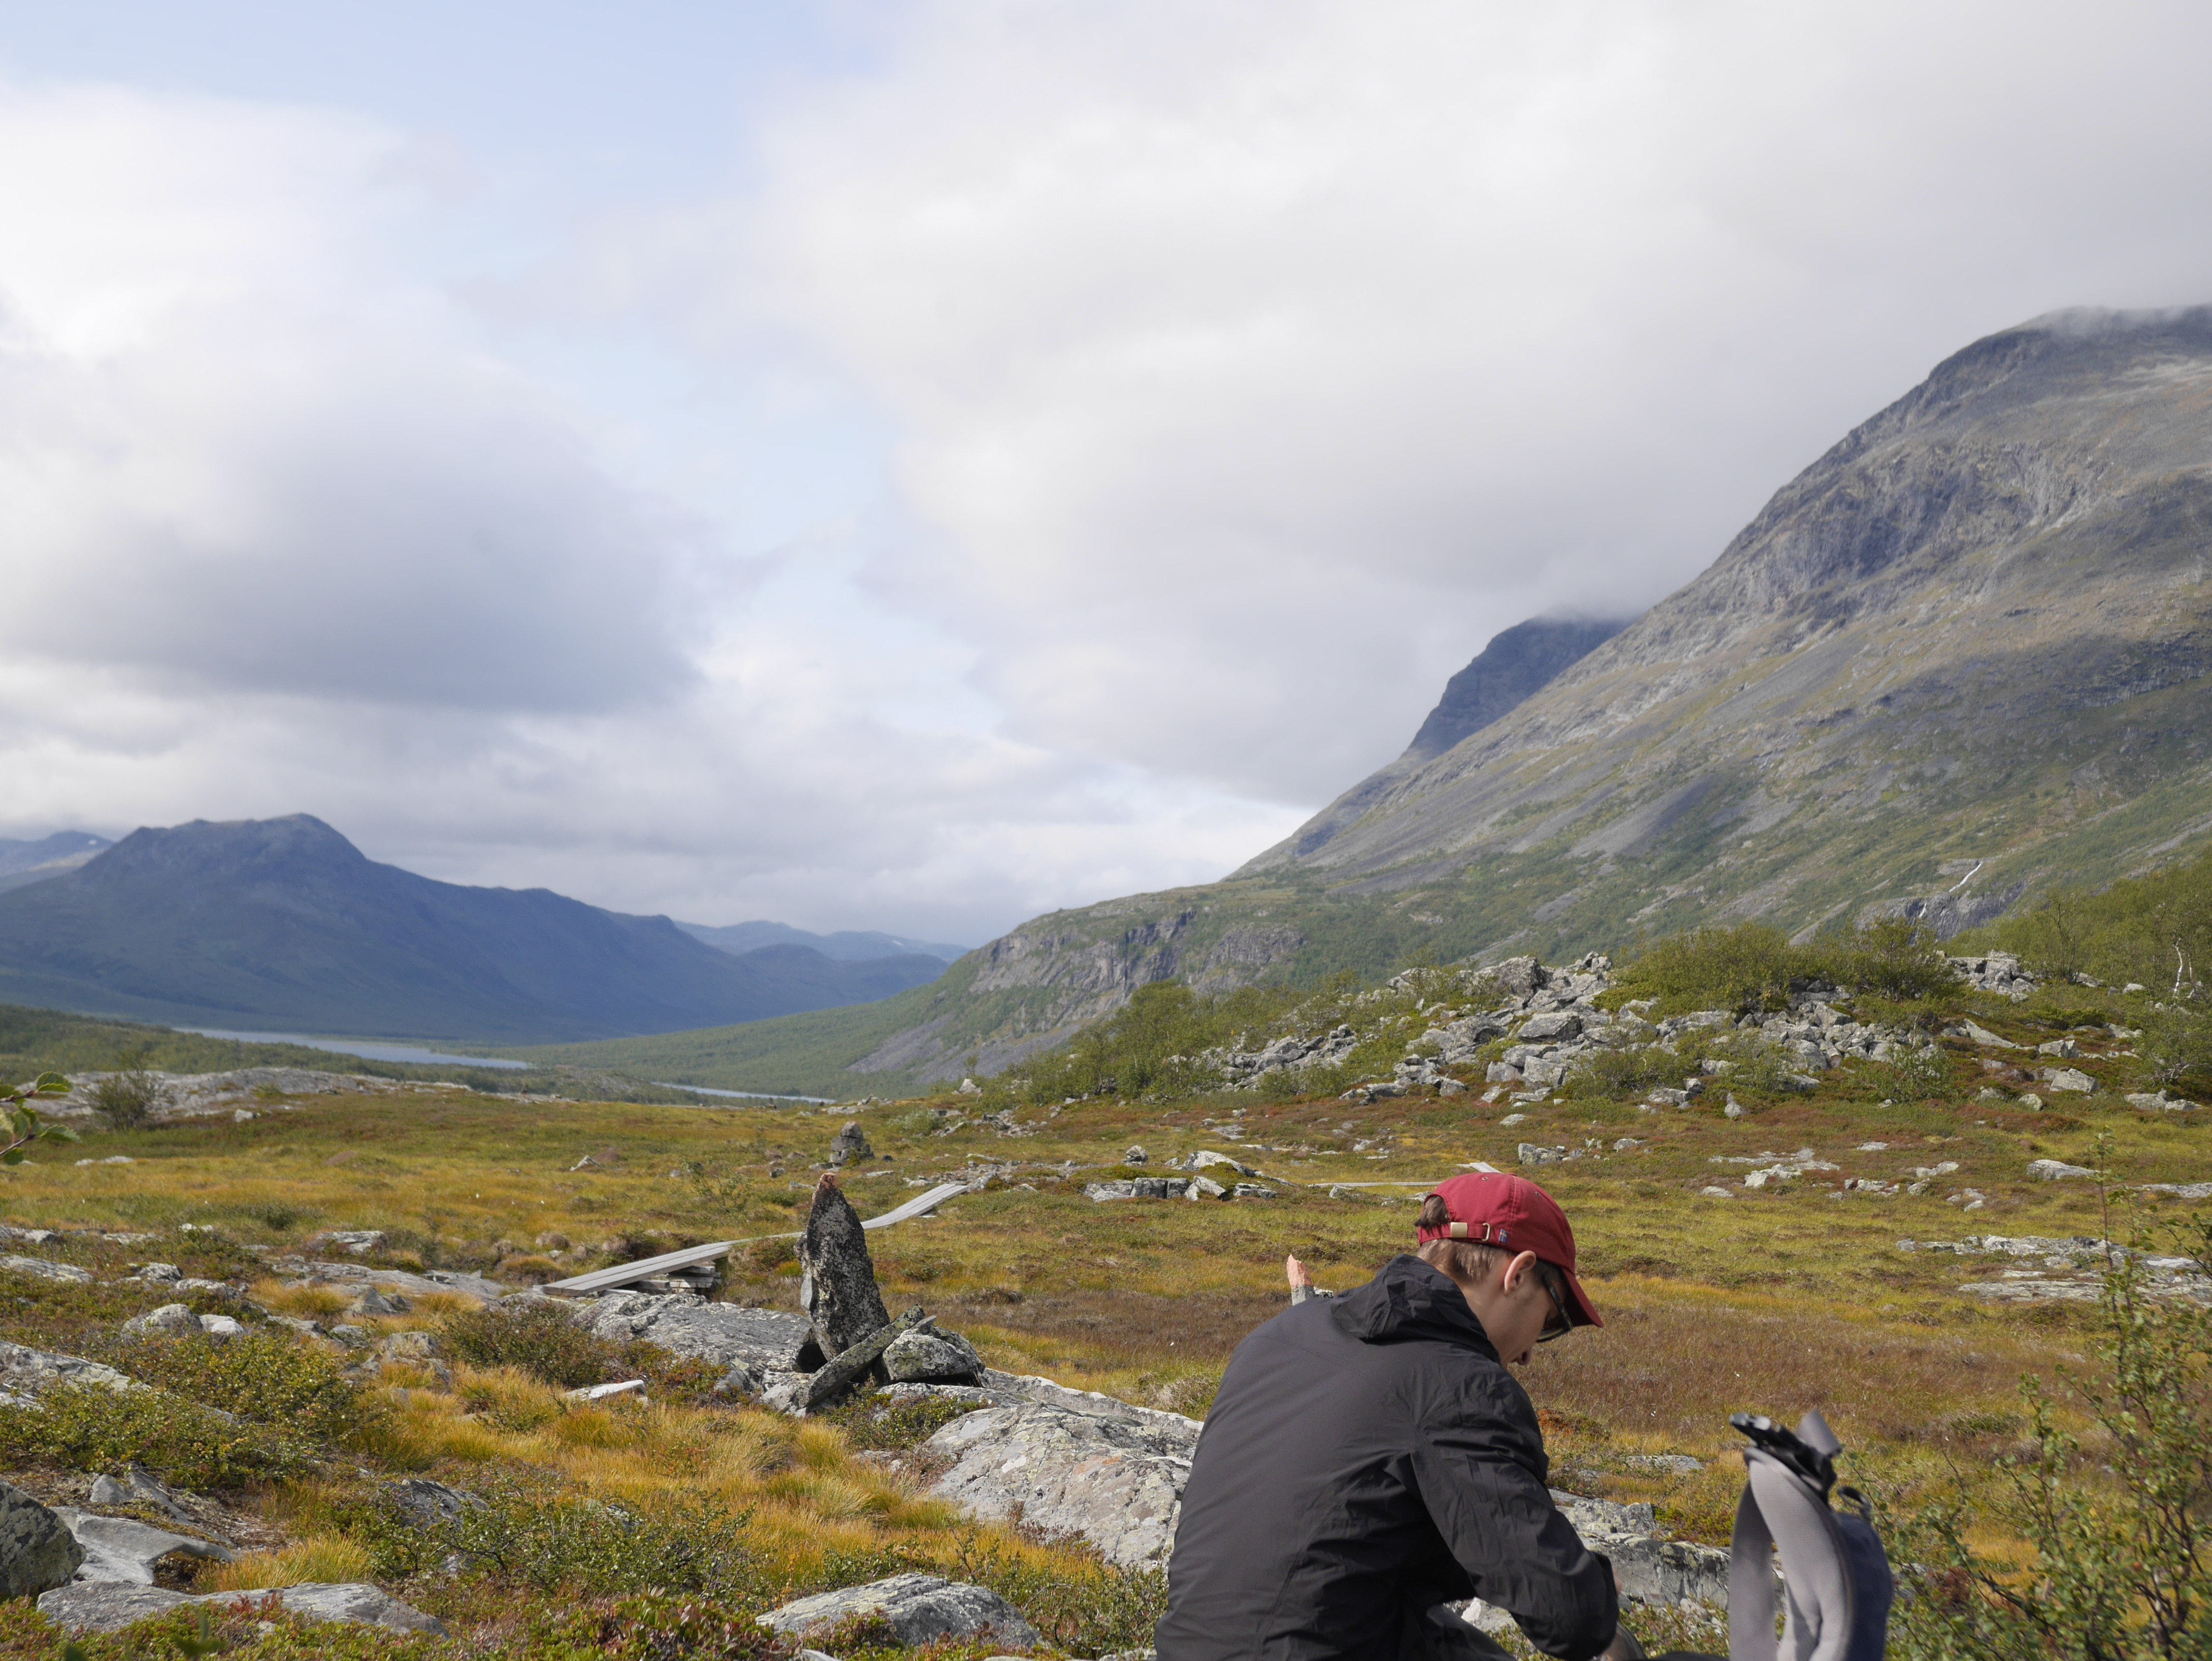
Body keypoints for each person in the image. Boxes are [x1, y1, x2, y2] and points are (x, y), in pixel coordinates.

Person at [1157, 1171, 1632, 1661]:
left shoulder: (1278, 1335)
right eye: (1551, 1319)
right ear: (1517, 1273)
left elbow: (1347, 1525)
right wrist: (1588, 1589)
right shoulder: (1462, 1386)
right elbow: (1568, 1618)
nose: (1532, 1352)